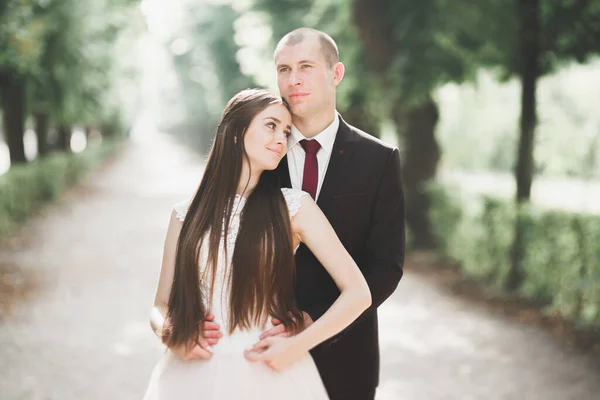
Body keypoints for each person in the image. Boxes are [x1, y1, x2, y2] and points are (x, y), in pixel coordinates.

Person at [142, 89, 371, 400]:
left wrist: (295, 347)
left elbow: (358, 293)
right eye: (271, 125)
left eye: (287, 130)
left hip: (269, 368)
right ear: (236, 133)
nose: (282, 138)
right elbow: (161, 305)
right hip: (193, 370)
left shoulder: (293, 207)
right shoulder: (185, 215)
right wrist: (171, 335)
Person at [261, 28, 406, 400]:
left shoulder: (379, 160)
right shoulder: (259, 155)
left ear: (336, 74)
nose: (293, 80)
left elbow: (386, 266)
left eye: (306, 67)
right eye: (283, 69)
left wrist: (318, 320)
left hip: (346, 352)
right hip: (263, 343)